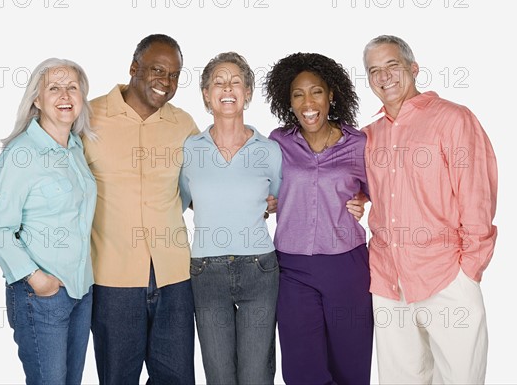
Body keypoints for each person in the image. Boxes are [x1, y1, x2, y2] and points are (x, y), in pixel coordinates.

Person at [362, 35, 498, 384]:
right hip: (388, 281)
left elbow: (477, 194)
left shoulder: (453, 118)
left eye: (392, 66)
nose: (384, 76)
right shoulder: (368, 135)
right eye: (374, 70)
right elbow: (356, 188)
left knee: (460, 378)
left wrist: (468, 269)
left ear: (413, 68)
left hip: (446, 275)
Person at [82, 34, 199, 384]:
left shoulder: (184, 124)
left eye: (175, 75)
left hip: (174, 276)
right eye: (158, 70)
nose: (166, 82)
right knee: (118, 377)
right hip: (112, 278)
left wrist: (261, 199)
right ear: (134, 68)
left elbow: (202, 185)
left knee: (177, 378)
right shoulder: (88, 117)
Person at [0, 58, 97, 384]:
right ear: (37, 99)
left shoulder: (75, 149)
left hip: (80, 291)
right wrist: (37, 279)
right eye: (54, 88)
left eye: (72, 88)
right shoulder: (22, 154)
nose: (65, 95)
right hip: (42, 296)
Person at [264, 52, 373, 385]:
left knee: (350, 366)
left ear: (331, 96)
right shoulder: (278, 142)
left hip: (347, 267)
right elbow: (261, 187)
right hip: (293, 269)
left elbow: (379, 189)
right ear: (289, 102)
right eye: (298, 94)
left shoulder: (359, 143)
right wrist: (266, 200)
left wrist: (362, 198)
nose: (307, 102)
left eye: (316, 92)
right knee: (302, 370)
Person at [179, 52, 282, 385]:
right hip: (206, 272)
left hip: (259, 270)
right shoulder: (190, 149)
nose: (227, 88)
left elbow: (279, 199)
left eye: (236, 81)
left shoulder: (269, 150)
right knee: (219, 374)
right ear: (207, 95)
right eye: (218, 82)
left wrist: (262, 206)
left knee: (256, 374)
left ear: (248, 93)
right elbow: (184, 199)